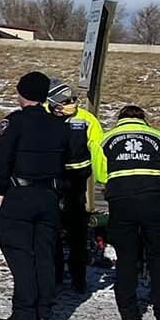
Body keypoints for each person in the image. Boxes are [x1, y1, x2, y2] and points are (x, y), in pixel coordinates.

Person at [0, 71, 86, 320]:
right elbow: (68, 160)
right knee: (44, 256)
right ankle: (44, 315)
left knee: (20, 256)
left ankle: (24, 315)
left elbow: (2, 162)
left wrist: (0, 191)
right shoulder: (60, 125)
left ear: (22, 94)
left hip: (19, 195)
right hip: (49, 198)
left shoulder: (13, 123)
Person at [93, 105, 160, 320]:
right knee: (159, 256)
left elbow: (101, 175)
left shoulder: (105, 140)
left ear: (119, 120)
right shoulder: (159, 137)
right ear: (144, 119)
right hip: (154, 200)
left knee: (126, 257)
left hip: (121, 202)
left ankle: (128, 313)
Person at [47, 79, 101, 292]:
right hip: (52, 179)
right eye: (65, 101)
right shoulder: (44, 117)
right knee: (52, 229)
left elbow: (97, 148)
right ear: (53, 103)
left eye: (73, 99)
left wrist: (100, 178)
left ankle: (79, 278)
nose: (71, 103)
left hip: (77, 180)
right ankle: (56, 274)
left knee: (77, 231)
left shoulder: (86, 119)